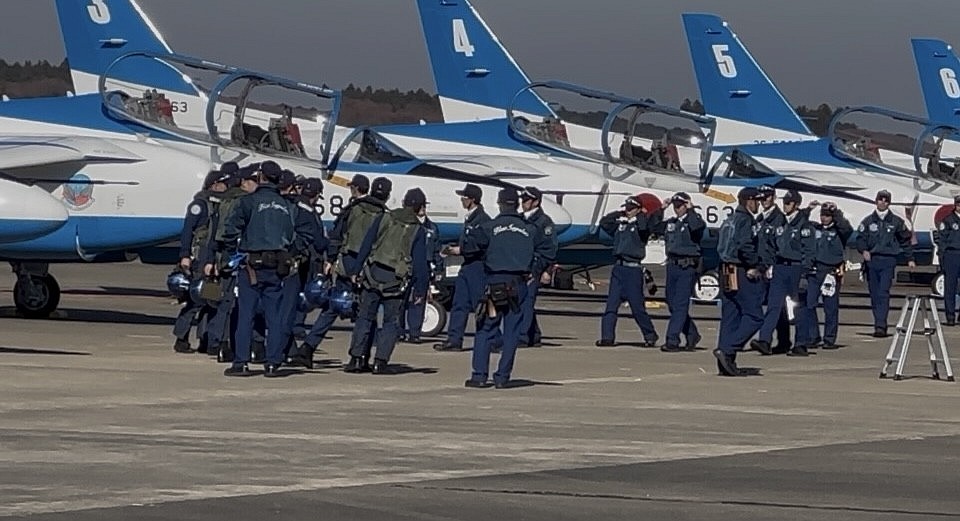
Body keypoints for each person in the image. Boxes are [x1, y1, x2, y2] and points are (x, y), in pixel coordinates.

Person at [218, 161, 312, 377]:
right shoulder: (289, 206)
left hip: (250, 265)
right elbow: (307, 233)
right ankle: (272, 363)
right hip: (277, 266)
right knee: (275, 316)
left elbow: (230, 230)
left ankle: (241, 362)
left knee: (245, 315)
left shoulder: (248, 202)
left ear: (260, 176)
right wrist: (291, 252)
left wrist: (232, 253)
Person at [295, 175, 386, 362]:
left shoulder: (352, 210)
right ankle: (360, 356)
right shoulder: (384, 214)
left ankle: (309, 346)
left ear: (355, 189)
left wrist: (330, 259)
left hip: (348, 262)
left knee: (333, 305)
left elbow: (337, 236)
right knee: (367, 312)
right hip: (371, 265)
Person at [345, 187, 429, 374]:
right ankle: (380, 362)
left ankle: (357, 359)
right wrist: (420, 290)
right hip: (396, 282)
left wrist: (356, 270)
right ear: (420, 208)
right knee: (391, 322)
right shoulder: (417, 230)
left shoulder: (385, 217)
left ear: (403, 202)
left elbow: (367, 244)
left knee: (365, 318)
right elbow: (420, 265)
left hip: (372, 274)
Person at [464, 188, 536, 389]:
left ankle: (479, 375)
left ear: (500, 204)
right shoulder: (529, 229)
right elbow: (548, 249)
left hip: (495, 285)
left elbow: (470, 246)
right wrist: (533, 269)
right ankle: (502, 377)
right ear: (517, 204)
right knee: (512, 331)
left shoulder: (489, 227)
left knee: (486, 327)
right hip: (518, 284)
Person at [172, 167, 231, 354]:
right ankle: (181, 337)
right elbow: (187, 231)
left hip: (213, 256)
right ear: (214, 184)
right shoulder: (200, 205)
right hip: (200, 257)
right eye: (223, 183)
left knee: (212, 299)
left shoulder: (221, 204)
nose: (226, 186)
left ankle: (206, 339)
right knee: (196, 299)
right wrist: (184, 256)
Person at [751, 190, 815, 357]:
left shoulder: (804, 225)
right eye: (784, 202)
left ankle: (801, 344)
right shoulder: (780, 223)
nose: (785, 205)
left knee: (799, 307)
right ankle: (765, 340)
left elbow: (809, 251)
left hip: (796, 268)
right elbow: (772, 245)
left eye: (788, 203)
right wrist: (769, 265)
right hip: (780, 267)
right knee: (774, 305)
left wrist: (804, 273)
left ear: (796, 204)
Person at [596, 193, 662, 347]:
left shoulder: (641, 226)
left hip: (633, 270)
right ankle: (607, 337)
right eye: (627, 207)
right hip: (619, 268)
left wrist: (641, 215)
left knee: (637, 308)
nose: (628, 210)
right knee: (611, 306)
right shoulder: (622, 224)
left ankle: (650, 335)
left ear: (638, 209)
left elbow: (645, 228)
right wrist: (619, 214)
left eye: (631, 208)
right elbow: (605, 223)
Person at [714, 187, 766, 377]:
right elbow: (745, 244)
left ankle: (725, 361)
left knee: (731, 315)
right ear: (748, 201)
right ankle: (728, 349)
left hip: (725, 269)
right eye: (757, 201)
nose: (759, 204)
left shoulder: (729, 220)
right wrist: (754, 264)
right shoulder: (745, 220)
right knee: (755, 316)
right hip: (740, 269)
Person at [434, 183, 492, 352]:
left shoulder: (483, 220)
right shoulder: (470, 218)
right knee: (459, 303)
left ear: (472, 199)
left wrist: (460, 250)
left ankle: (491, 338)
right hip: (467, 265)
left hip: (477, 266)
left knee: (480, 304)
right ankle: (454, 339)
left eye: (464, 197)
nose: (462, 200)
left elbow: (482, 243)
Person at [854, 190, 915, 337]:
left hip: (888, 260)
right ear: (876, 201)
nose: (883, 202)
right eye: (880, 199)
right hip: (872, 261)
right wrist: (863, 250)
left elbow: (905, 240)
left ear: (889, 203)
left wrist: (910, 258)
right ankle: (878, 323)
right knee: (874, 294)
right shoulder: (868, 221)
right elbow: (860, 239)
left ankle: (881, 325)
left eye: (886, 200)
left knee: (883, 293)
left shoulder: (896, 222)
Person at [796, 202, 853, 349]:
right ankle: (813, 336)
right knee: (809, 304)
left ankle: (829, 339)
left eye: (827, 215)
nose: (824, 218)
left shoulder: (839, 231)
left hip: (831, 272)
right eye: (822, 215)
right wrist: (808, 209)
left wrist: (836, 212)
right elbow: (799, 222)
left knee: (830, 307)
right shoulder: (814, 228)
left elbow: (847, 229)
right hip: (815, 271)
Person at [655, 192, 704, 352]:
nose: (677, 209)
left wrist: (691, 210)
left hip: (687, 267)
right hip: (672, 266)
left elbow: (698, 228)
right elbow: (652, 227)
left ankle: (672, 339)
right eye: (675, 206)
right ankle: (692, 333)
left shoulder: (693, 221)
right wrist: (661, 209)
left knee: (681, 304)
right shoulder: (672, 223)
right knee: (671, 302)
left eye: (680, 206)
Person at [754, 184, 792, 353]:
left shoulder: (779, 219)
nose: (764, 201)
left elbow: (781, 246)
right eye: (761, 198)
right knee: (778, 307)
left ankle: (764, 340)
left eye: (767, 197)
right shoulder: (760, 219)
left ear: (774, 197)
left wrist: (774, 264)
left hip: (775, 267)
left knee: (774, 305)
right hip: (761, 267)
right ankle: (784, 341)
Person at [519, 186, 558, 348]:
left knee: (526, 301)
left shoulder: (544, 222)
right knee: (523, 301)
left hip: (533, 266)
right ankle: (533, 335)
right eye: (522, 200)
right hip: (519, 264)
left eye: (526, 200)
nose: (523, 203)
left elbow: (550, 249)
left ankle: (522, 337)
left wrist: (545, 270)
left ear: (536, 202)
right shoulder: (519, 219)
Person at [400, 213, 442, 344]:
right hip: (405, 267)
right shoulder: (404, 225)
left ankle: (414, 333)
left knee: (418, 300)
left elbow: (436, 250)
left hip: (423, 268)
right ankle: (398, 331)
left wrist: (438, 268)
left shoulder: (432, 228)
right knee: (400, 300)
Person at [936, 195, 960, 326]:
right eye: (959, 204)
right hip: (952, 254)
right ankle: (950, 315)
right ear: (955, 205)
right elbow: (942, 241)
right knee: (950, 286)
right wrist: (942, 257)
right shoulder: (948, 221)